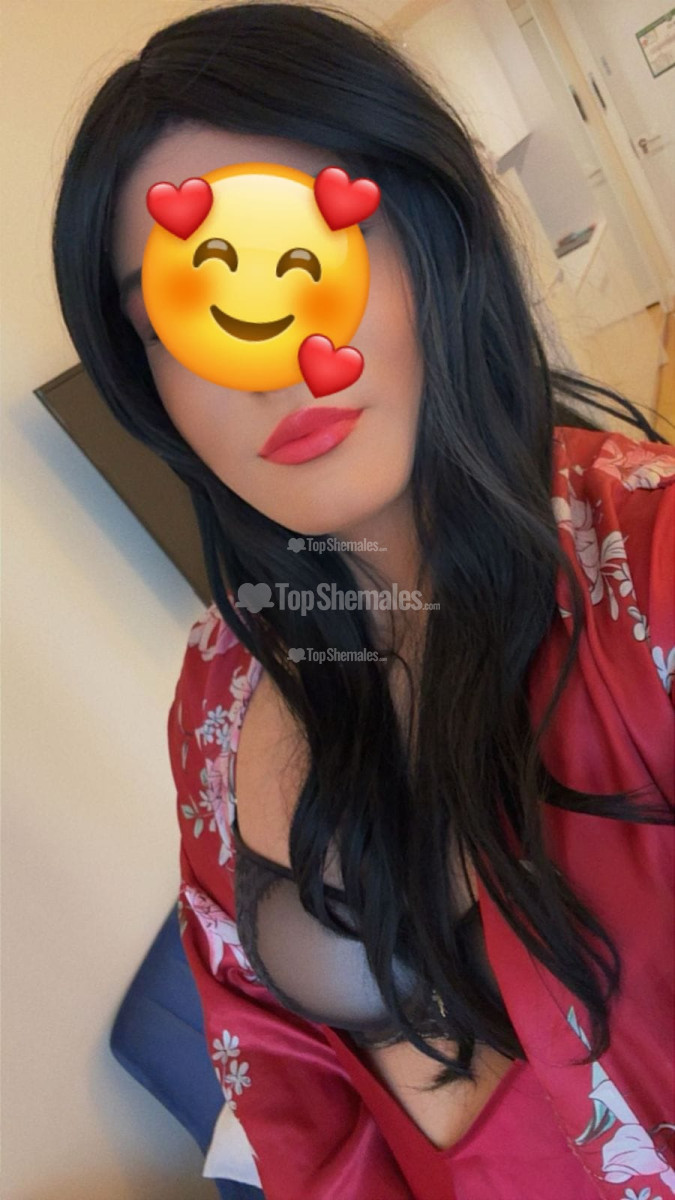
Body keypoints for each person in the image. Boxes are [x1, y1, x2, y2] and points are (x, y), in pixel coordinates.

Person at [52, 4, 675, 1197]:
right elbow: (295, 1120)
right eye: (182, 314)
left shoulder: (649, 562)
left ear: (432, 233)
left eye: (307, 256)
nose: (277, 360)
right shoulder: (217, 693)